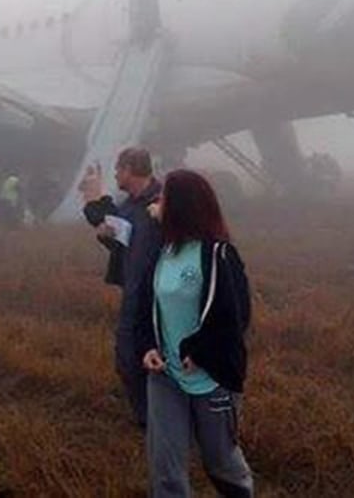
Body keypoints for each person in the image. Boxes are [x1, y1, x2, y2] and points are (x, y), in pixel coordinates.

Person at [134, 169, 254, 498]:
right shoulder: (163, 252)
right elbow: (145, 309)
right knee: (166, 471)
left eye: (165, 197)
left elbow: (235, 317)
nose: (158, 202)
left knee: (220, 463)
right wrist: (147, 346)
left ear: (182, 205)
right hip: (165, 377)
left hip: (211, 377)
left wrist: (196, 350)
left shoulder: (219, 255)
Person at [82, 147, 163, 427]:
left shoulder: (165, 200)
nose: (116, 174)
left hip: (160, 299)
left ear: (129, 168)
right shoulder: (129, 206)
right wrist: (107, 236)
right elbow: (127, 242)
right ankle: (149, 422)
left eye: (118, 169)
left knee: (157, 362)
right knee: (128, 361)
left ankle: (165, 422)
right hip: (132, 293)